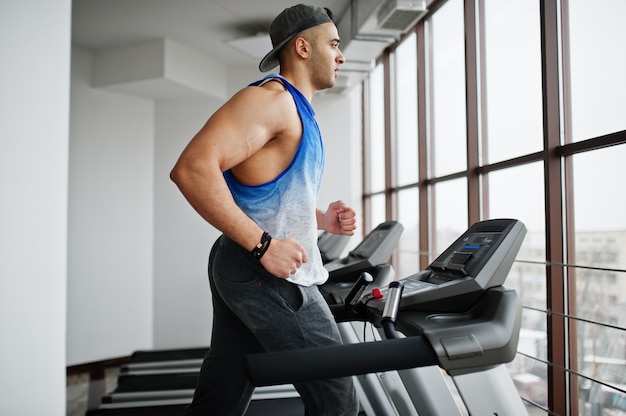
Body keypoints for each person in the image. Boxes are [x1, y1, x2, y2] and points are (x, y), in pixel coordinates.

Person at [170, 4, 360, 415]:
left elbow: (271, 193)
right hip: (263, 271)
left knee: (223, 390)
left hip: (246, 265)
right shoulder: (271, 101)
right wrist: (263, 247)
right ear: (303, 47)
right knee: (338, 400)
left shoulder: (299, 111)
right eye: (334, 44)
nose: (342, 55)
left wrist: (321, 218)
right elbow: (191, 169)